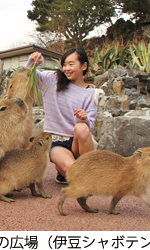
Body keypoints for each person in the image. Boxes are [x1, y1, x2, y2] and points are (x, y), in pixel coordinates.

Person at [26, 48, 98, 184]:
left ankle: (85, 170)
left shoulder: (91, 93)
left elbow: (91, 126)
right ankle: (66, 170)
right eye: (64, 64)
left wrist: (84, 118)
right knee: (73, 170)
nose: (66, 68)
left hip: (79, 143)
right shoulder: (53, 80)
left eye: (71, 64)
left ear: (84, 66)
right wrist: (32, 62)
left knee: (82, 128)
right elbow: (29, 78)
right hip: (58, 142)